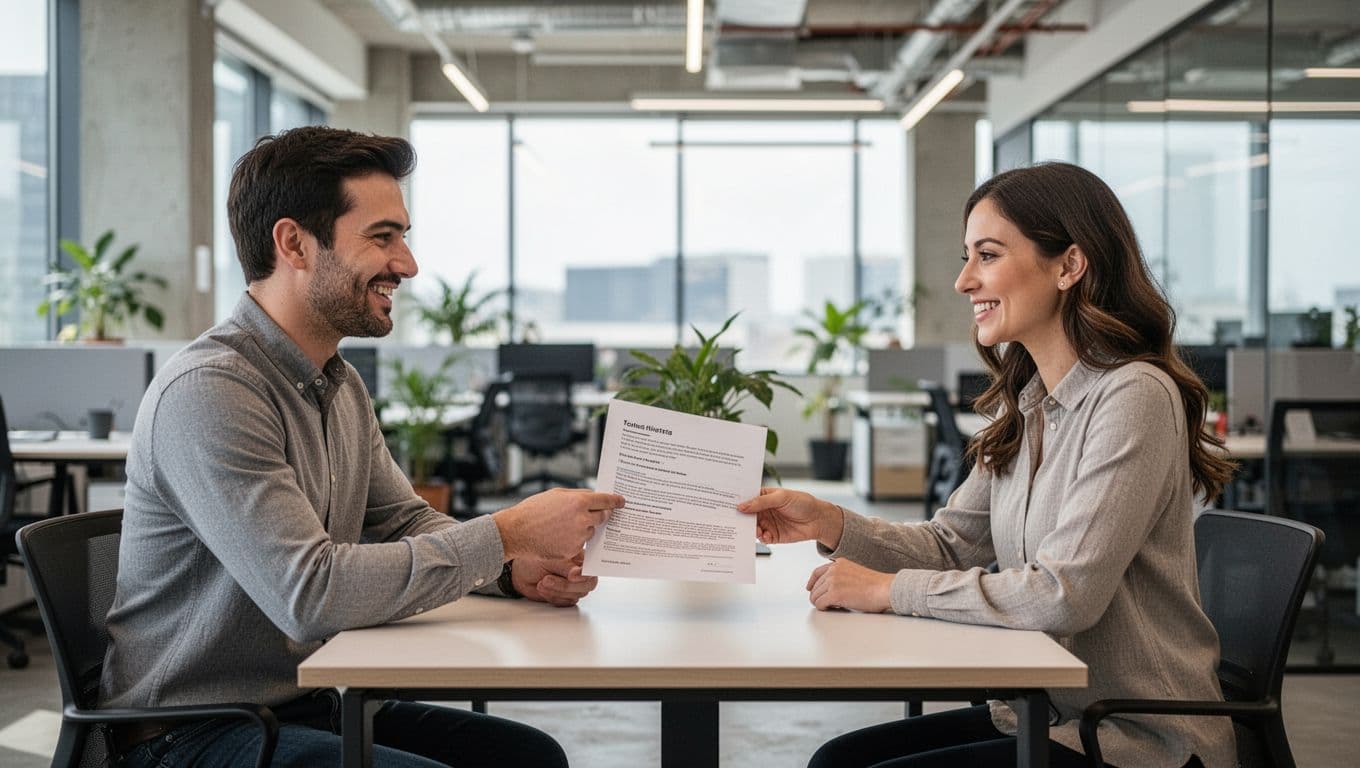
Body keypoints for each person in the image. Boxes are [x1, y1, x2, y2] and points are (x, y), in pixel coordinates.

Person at [99, 126, 625, 768]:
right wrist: (506, 533)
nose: (406, 264)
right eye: (382, 237)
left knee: (530, 758)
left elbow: (401, 520)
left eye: (403, 237)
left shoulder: (337, 384)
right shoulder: (211, 392)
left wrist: (511, 572)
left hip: (303, 698)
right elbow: (312, 594)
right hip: (191, 731)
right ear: (294, 243)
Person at [739, 162, 1237, 768]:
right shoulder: (1029, 406)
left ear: (1068, 265)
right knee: (836, 760)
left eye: (988, 255)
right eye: (966, 256)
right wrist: (829, 523)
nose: (963, 281)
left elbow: (1064, 595)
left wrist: (889, 590)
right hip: (1047, 713)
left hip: (1133, 740)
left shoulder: (1132, 396)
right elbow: (952, 545)